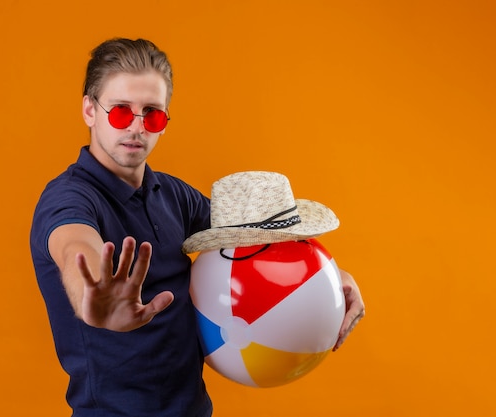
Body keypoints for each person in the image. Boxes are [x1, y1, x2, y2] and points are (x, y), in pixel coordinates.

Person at [30, 37, 365, 417]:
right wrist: (93, 294)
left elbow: (257, 241)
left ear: (165, 121)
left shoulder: (173, 195)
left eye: (152, 114)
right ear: (90, 110)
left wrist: (332, 277)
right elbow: (74, 244)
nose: (137, 128)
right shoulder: (68, 197)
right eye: (121, 112)